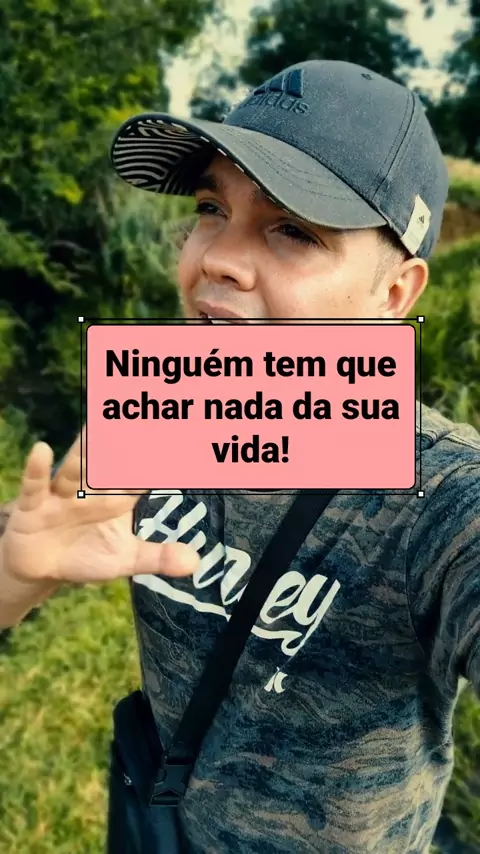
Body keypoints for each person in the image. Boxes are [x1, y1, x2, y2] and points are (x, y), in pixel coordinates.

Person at [1, 59, 479, 854]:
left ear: (395, 295)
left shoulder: (442, 495)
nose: (216, 257)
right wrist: (17, 575)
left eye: (293, 229)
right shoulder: (159, 409)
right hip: (158, 823)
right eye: (210, 209)